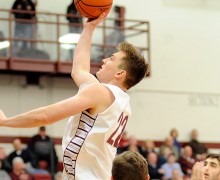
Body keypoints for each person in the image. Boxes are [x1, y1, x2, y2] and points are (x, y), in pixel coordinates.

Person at [0, 12, 148, 179]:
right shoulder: (120, 100)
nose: (105, 60)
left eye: (112, 59)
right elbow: (79, 70)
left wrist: (6, 121)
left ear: (120, 73)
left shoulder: (100, 93)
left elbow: (45, 116)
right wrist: (89, 29)